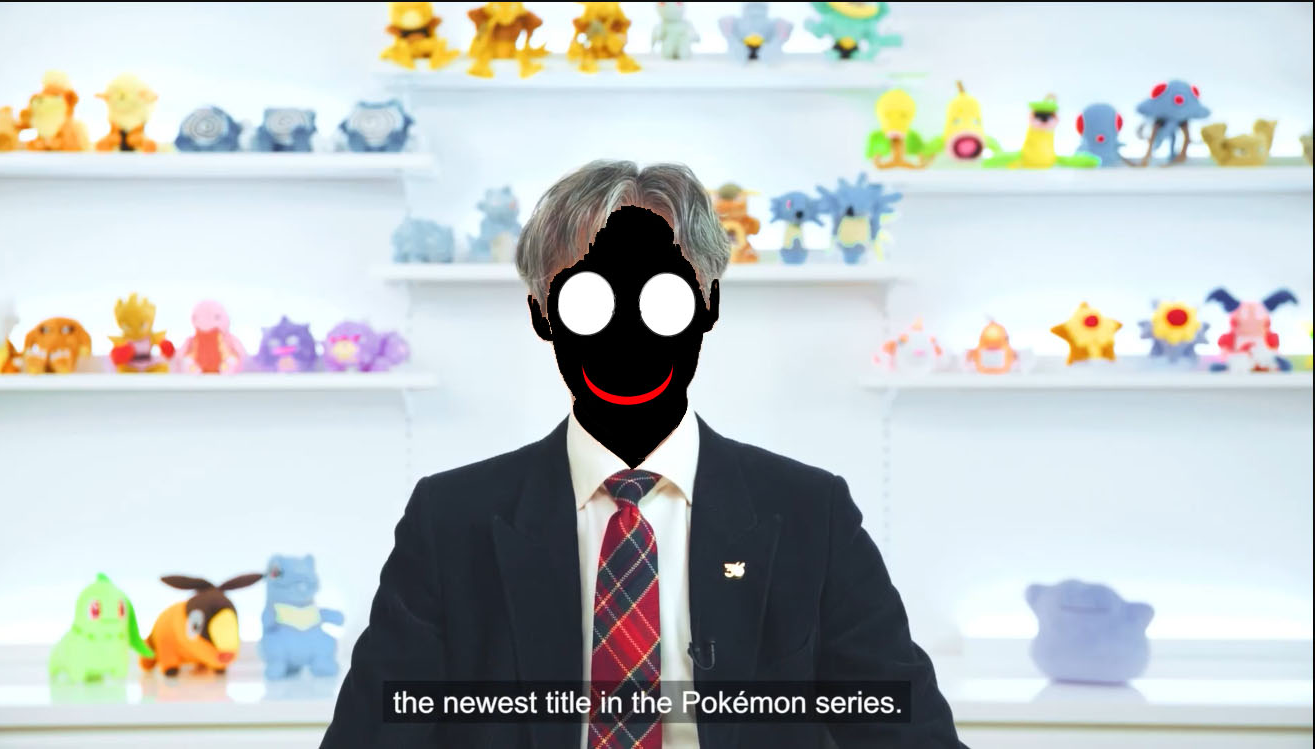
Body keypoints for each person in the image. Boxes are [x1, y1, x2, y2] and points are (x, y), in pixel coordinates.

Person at [322, 160, 964, 748]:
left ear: (708, 304)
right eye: (588, 303)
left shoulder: (811, 514)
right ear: (542, 313)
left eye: (662, 300)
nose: (627, 335)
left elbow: (911, 735)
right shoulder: (449, 520)